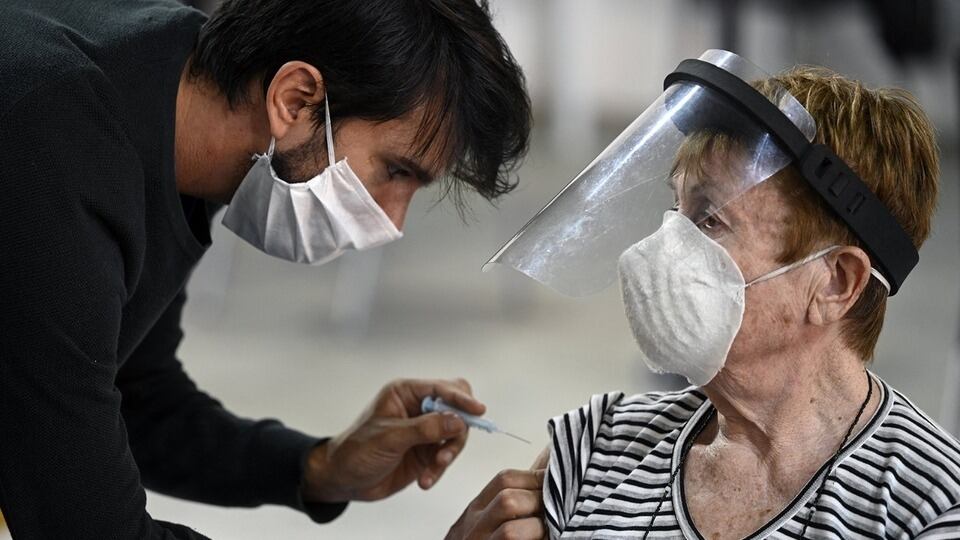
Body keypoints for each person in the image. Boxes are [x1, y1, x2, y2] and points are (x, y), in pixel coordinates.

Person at [0, 0, 530, 538]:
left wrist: (319, 467)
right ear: (294, 100)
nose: (393, 221)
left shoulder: (171, 93)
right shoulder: (53, 149)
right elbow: (91, 526)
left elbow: (131, 393)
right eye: (394, 170)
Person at [449, 52, 960, 538]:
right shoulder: (599, 447)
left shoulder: (926, 511)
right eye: (676, 210)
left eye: (710, 219)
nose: (657, 249)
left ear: (835, 283)